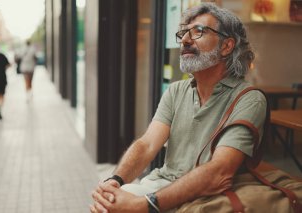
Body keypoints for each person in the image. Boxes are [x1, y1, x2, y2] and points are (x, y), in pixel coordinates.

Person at [90, 3, 267, 213]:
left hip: (208, 199)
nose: (185, 40)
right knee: (107, 204)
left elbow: (218, 173)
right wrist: (116, 181)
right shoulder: (176, 91)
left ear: (226, 46)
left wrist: (143, 205)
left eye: (198, 31)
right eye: (184, 33)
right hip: (162, 186)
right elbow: (147, 145)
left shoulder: (249, 99)